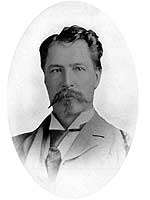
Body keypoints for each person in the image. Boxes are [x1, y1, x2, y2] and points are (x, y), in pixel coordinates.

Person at [12, 25, 129, 196]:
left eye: (78, 69)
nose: (67, 82)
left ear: (97, 77)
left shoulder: (125, 146)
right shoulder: (14, 148)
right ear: (45, 77)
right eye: (56, 70)